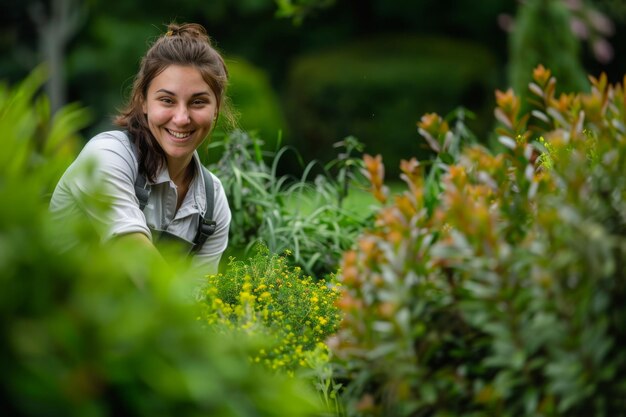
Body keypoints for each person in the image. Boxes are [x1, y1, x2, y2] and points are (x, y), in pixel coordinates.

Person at [50, 23, 232, 274]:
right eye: (167, 100)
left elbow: (199, 301)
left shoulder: (212, 203)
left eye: (198, 102)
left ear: (216, 109)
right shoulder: (107, 157)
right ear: (142, 101)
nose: (181, 118)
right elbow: (142, 268)